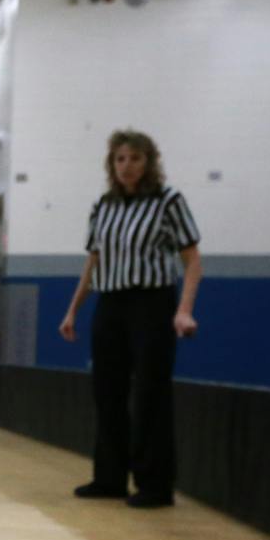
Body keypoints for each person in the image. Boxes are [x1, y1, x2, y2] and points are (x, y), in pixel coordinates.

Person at [58, 129, 202, 508]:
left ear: (149, 162)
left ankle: (155, 485)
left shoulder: (168, 201)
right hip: (111, 304)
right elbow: (93, 262)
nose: (127, 166)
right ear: (112, 164)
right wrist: (74, 309)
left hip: (152, 302)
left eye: (135, 158)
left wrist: (183, 310)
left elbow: (192, 261)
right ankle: (110, 478)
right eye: (120, 159)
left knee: (151, 393)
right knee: (107, 391)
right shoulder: (103, 205)